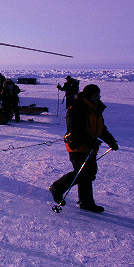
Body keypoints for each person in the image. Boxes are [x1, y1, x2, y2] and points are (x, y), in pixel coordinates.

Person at [49, 84, 119, 213]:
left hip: (90, 147)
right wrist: (91, 141)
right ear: (87, 96)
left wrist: (111, 141)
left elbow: (100, 128)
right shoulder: (77, 109)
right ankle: (57, 188)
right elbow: (75, 131)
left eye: (99, 95)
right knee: (84, 173)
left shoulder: (95, 108)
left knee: (88, 173)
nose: (97, 98)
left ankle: (86, 202)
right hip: (77, 147)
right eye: (95, 96)